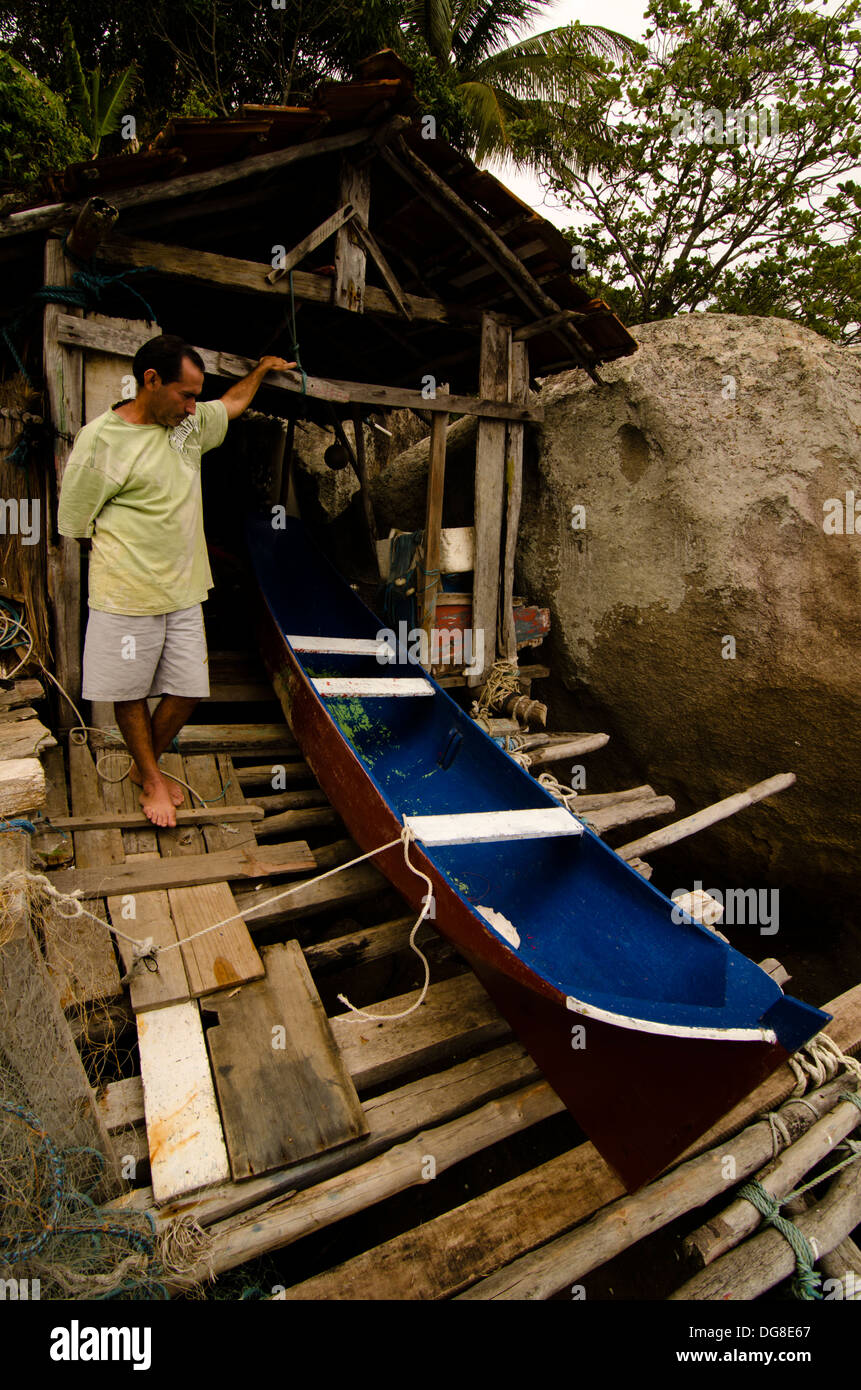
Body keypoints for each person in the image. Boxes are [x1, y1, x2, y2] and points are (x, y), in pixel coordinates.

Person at [58, 333, 294, 827]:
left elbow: (229, 404)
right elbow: (76, 524)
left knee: (188, 688)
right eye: (185, 394)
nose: (193, 406)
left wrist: (261, 368)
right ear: (150, 381)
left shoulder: (187, 428)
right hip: (126, 594)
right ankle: (151, 774)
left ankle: (147, 766)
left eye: (195, 395)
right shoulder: (100, 440)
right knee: (129, 693)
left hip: (186, 590)